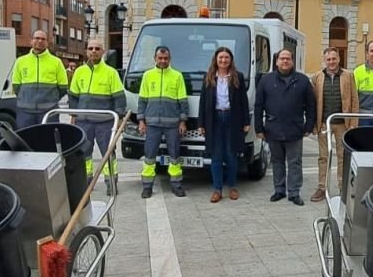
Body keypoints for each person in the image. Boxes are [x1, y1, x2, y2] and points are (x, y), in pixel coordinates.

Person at [255, 48, 316, 206]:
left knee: (295, 162)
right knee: (277, 161)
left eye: (288, 58)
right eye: (282, 58)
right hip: (273, 128)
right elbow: (258, 105)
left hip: (295, 129)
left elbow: (311, 105)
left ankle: (294, 193)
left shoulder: (302, 81)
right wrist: (259, 128)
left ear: (292, 61)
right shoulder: (266, 80)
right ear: (276, 61)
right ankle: (279, 190)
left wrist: (309, 125)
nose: (285, 61)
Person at [70, 38, 126, 195]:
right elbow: (73, 96)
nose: (93, 51)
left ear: (102, 52)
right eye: (90, 48)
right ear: (86, 51)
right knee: (84, 154)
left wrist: (120, 118)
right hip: (84, 122)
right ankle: (86, 182)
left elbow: (119, 97)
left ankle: (111, 183)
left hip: (105, 123)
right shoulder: (79, 72)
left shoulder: (111, 73)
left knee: (108, 154)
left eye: (97, 48)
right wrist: (73, 115)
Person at [197, 47, 249, 203]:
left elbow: (243, 102)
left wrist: (246, 122)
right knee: (216, 156)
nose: (223, 60)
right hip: (215, 120)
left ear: (231, 60)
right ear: (216, 60)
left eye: (226, 58)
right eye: (221, 58)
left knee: (231, 155)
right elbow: (202, 102)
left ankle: (232, 187)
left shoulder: (237, 77)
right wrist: (201, 123)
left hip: (232, 119)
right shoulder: (209, 78)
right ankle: (217, 189)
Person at [138, 45, 188, 198]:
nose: (163, 61)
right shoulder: (147, 75)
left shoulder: (177, 76)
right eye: (160, 58)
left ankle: (176, 185)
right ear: (155, 58)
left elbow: (183, 101)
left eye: (165, 58)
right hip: (152, 124)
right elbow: (142, 100)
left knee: (174, 156)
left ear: (169, 59)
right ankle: (147, 187)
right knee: (149, 157)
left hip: (172, 125)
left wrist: (182, 121)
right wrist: (141, 121)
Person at [310, 47, 358, 203]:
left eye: (334, 59)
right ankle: (322, 187)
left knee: (342, 156)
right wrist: (314, 124)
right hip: (324, 123)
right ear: (324, 60)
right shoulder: (317, 77)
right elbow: (313, 102)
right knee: (323, 156)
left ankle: (342, 187)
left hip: (342, 123)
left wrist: (353, 124)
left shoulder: (348, 76)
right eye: (328, 59)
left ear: (339, 59)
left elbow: (354, 100)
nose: (331, 62)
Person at [12, 31, 69, 129]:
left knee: (48, 141)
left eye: (43, 39)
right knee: (26, 141)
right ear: (31, 41)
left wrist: (51, 99)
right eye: (37, 38)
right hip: (25, 111)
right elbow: (16, 85)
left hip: (49, 111)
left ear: (47, 43)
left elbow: (63, 87)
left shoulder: (56, 62)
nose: (40, 41)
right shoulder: (20, 61)